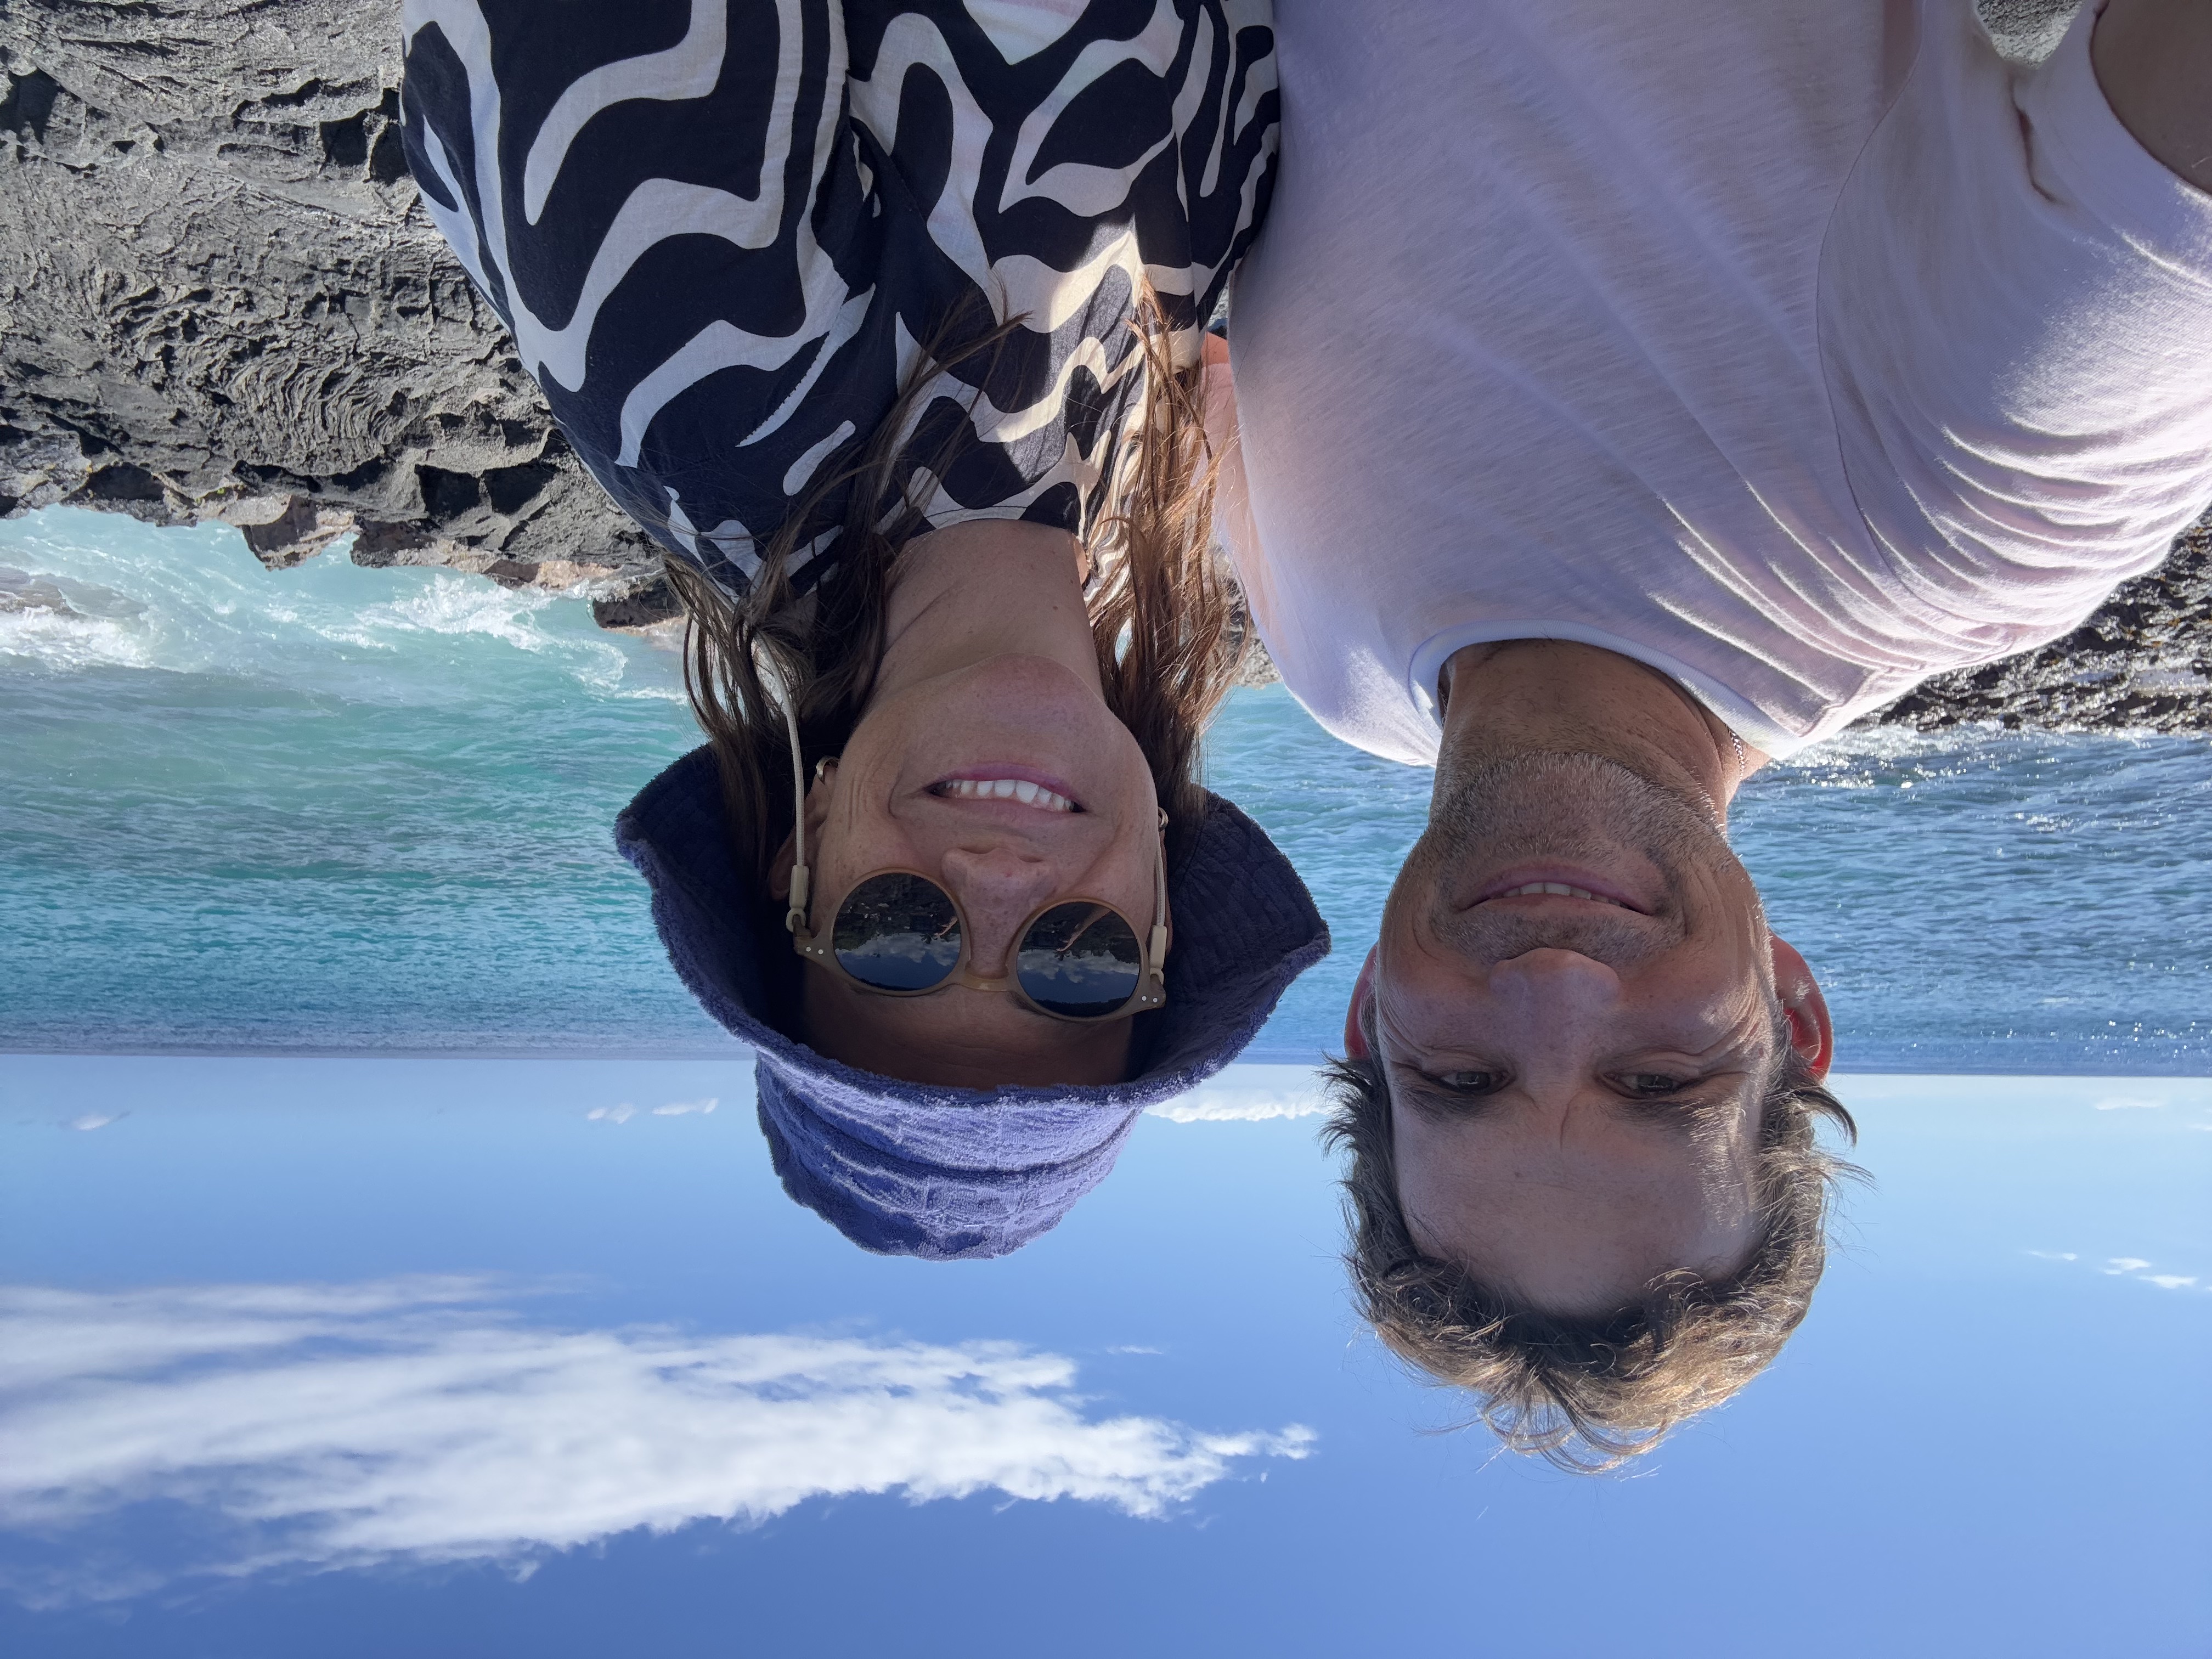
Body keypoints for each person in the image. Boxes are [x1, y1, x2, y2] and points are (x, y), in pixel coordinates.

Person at [1206, 0, 2212, 1462]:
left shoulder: (1333, 668)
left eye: (1462, 1079)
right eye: (1659, 1082)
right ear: (1791, 1017)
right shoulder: (1958, 501)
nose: (1551, 987)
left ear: (1371, 1016)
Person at [399, 0, 1327, 1257]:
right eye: (1084, 966)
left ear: (802, 860)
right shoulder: (1148, 503)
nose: (999, 887)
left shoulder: (701, 375)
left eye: (899, 938)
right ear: (1157, 913)